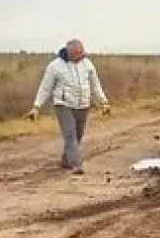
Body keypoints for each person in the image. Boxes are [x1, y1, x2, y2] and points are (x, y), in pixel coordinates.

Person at [27, 39, 111, 175]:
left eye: (82, 52)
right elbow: (45, 87)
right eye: (78, 53)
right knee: (70, 134)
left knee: (77, 135)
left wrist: (104, 102)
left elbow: (95, 85)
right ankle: (76, 165)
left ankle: (67, 160)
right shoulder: (55, 66)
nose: (82, 55)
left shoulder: (88, 64)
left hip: (83, 105)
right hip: (63, 104)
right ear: (69, 52)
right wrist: (36, 107)